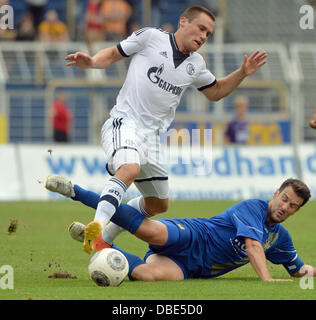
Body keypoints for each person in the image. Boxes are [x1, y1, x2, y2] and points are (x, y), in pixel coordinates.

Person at [51, 6, 267, 255]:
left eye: (208, 33)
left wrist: (242, 73)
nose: (204, 36)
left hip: (151, 138)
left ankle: (104, 238)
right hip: (125, 121)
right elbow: (112, 53)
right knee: (129, 168)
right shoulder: (151, 37)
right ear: (183, 22)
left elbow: (216, 92)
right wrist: (92, 62)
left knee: (158, 204)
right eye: (201, 28)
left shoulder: (196, 64)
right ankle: (98, 227)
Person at [46, 176, 316, 281]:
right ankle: (74, 191)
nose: (285, 207)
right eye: (284, 199)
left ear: (296, 210)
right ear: (276, 193)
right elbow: (253, 245)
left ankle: (99, 244)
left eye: (292, 206)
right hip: (194, 234)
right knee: (150, 231)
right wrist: (267, 280)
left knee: (145, 276)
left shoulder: (280, 239)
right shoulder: (253, 208)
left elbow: (299, 269)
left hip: (191, 268)